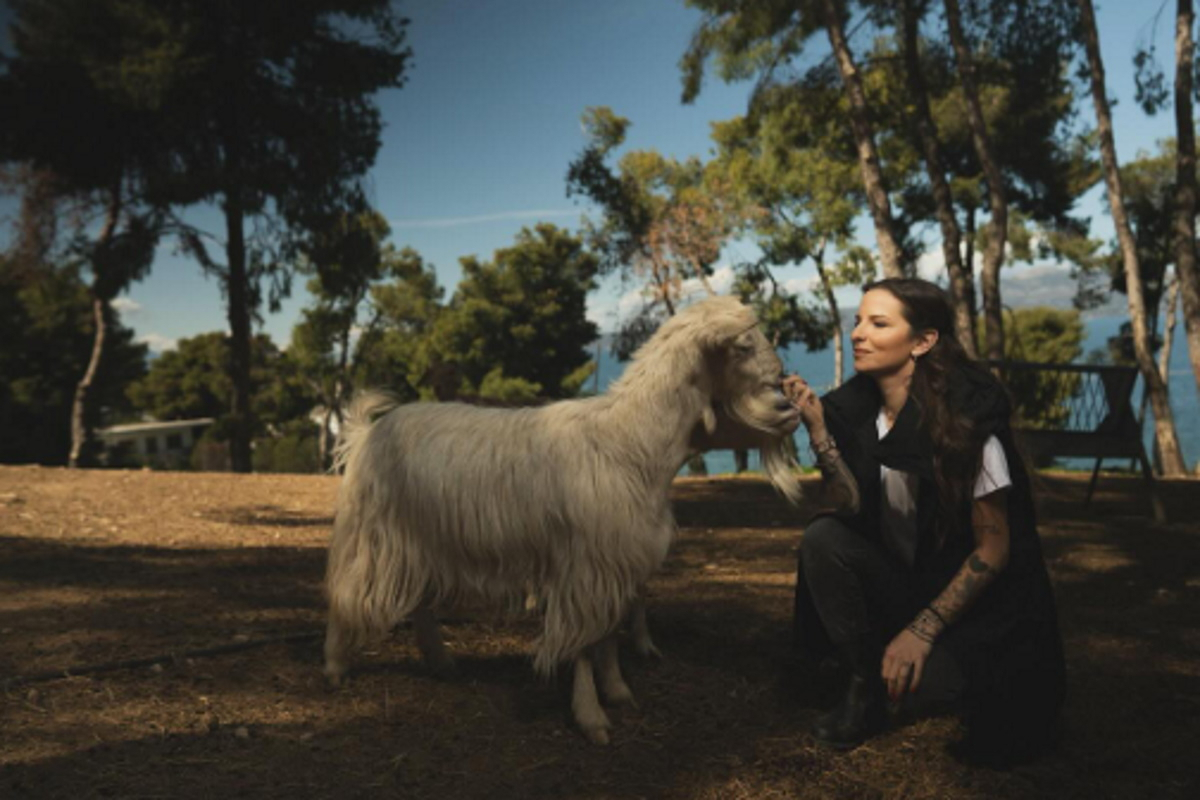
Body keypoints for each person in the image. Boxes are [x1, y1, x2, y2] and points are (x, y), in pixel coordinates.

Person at [783, 278, 1065, 767]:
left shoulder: (966, 421)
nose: (858, 334)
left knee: (931, 690)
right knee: (824, 536)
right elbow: (849, 507)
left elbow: (993, 551)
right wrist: (820, 431)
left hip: (978, 615)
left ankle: (894, 670)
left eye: (879, 323)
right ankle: (863, 676)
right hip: (906, 583)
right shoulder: (857, 409)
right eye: (857, 322)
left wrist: (923, 630)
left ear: (923, 341)